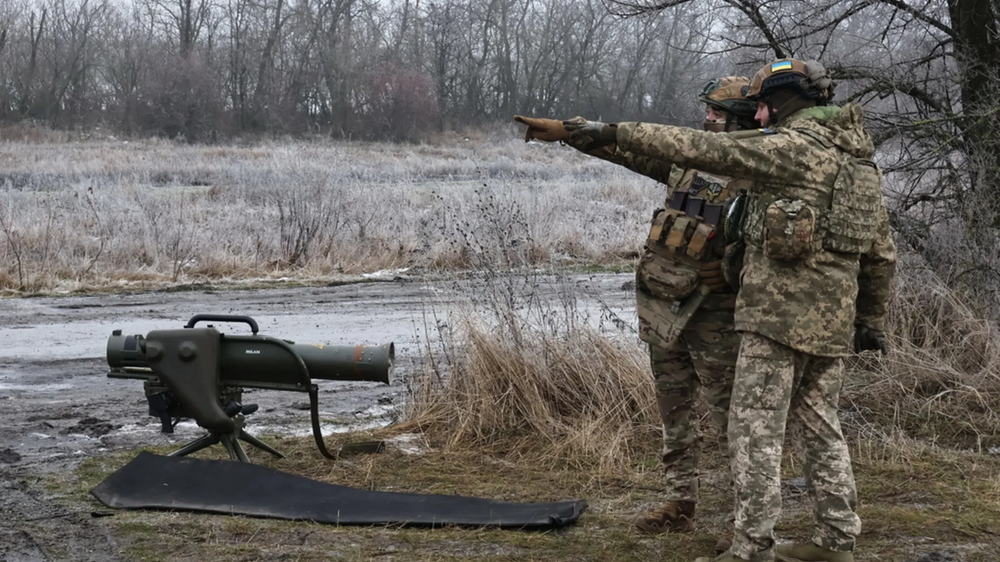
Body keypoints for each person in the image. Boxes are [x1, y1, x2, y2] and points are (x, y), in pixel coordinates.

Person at [562, 59, 896, 562]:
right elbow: (881, 253)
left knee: (751, 430)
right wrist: (869, 318)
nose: (757, 117)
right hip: (826, 323)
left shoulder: (782, 152)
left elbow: (701, 149)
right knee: (820, 427)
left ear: (779, 103)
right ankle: (835, 540)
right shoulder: (857, 164)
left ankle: (750, 546)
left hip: (771, 317)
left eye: (758, 108)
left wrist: (607, 128)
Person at [517, 77, 757, 553]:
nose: (707, 118)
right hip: (666, 300)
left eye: (717, 113)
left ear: (741, 117)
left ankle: (745, 517)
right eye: (708, 111)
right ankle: (680, 500)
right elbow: (628, 149)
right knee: (673, 406)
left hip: (719, 311)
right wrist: (569, 132)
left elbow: (774, 246)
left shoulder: (760, 168)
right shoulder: (687, 159)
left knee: (731, 417)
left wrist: (734, 271)